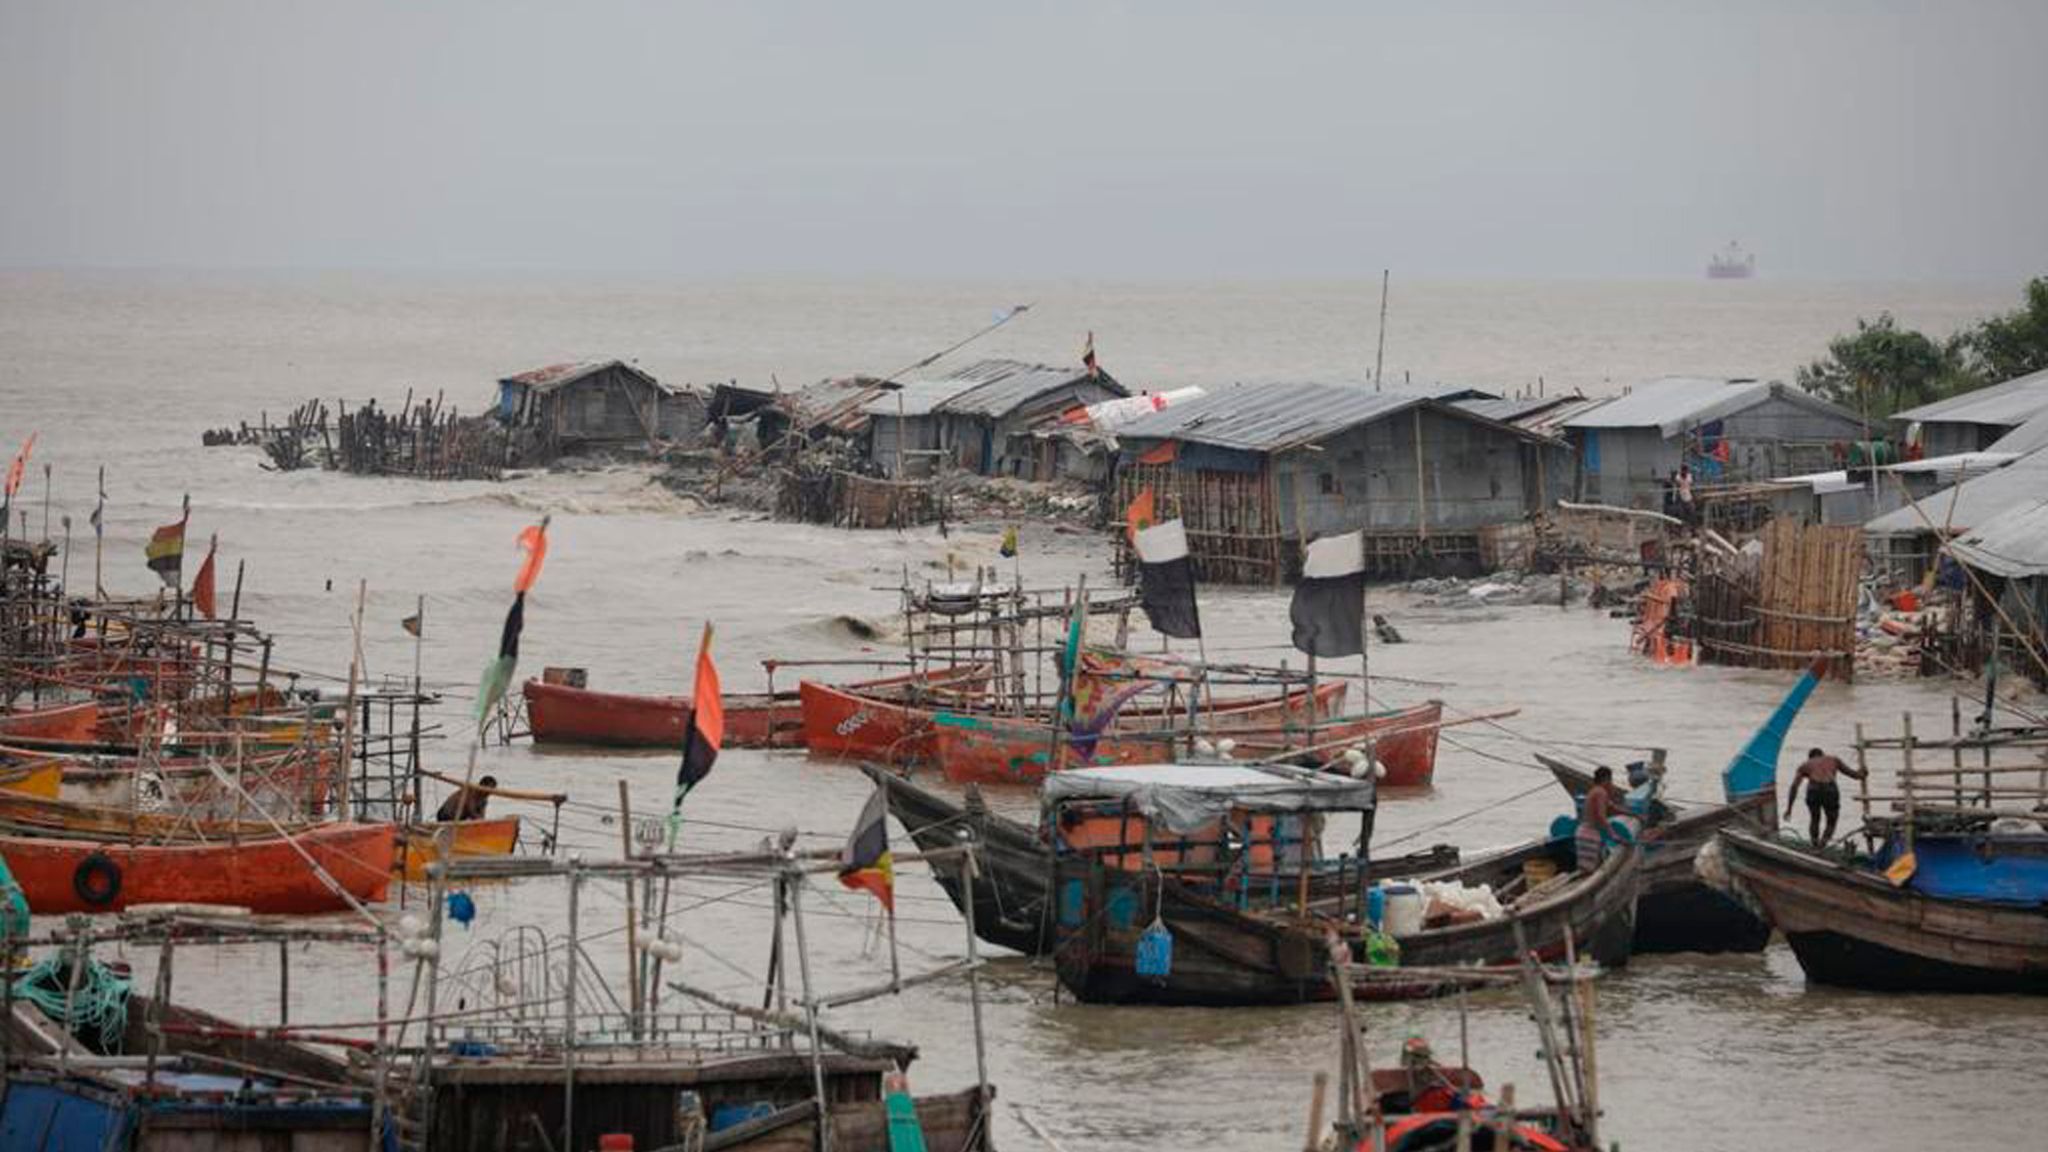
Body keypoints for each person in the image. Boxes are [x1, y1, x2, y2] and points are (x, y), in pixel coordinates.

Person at [1785, 748, 1866, 846]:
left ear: (1810, 757)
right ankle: (1823, 844)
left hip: (1813, 789)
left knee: (1815, 818)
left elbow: (1794, 787)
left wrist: (1789, 809)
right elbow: (1854, 775)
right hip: (1830, 790)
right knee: (1831, 821)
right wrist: (1863, 773)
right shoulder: (1833, 760)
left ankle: (1814, 844)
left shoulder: (1805, 765)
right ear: (1823, 754)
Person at [1575, 767, 1625, 872]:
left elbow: (1614, 808)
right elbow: (1601, 816)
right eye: (1611, 780)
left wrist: (1634, 814)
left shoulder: (1595, 791)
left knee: (1586, 871)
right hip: (1589, 835)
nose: (1612, 783)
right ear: (1606, 779)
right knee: (1591, 872)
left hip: (1582, 833)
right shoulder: (1601, 792)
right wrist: (1613, 834)